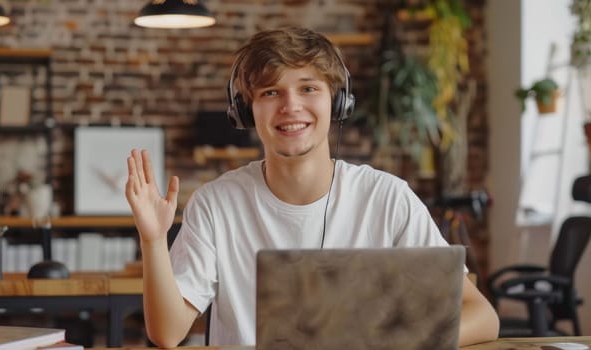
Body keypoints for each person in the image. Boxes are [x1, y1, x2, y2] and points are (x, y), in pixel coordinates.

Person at [125, 26, 499, 347]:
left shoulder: (387, 198)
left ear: (337, 103)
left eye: (308, 88)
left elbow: (483, 316)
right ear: (245, 111)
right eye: (270, 92)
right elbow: (167, 334)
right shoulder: (216, 203)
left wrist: (382, 343)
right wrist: (154, 240)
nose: (291, 106)